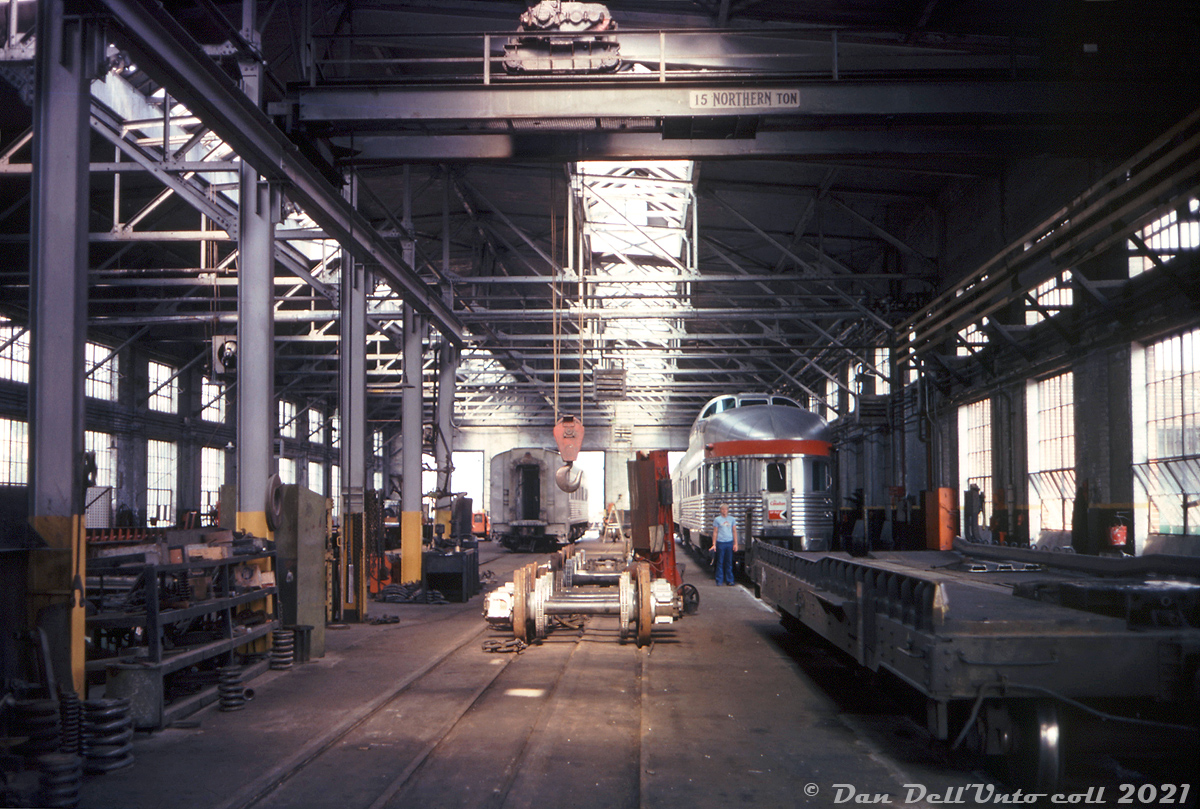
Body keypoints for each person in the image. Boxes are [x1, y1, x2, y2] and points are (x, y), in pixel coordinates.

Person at [711, 503, 738, 586]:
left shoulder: (732, 519)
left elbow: (734, 531)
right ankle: (719, 580)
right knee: (720, 562)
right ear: (720, 510)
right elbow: (715, 532)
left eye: (725, 509)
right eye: (722, 509)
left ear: (728, 510)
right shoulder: (717, 520)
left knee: (729, 562)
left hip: (729, 542)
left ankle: (730, 580)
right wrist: (714, 544)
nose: (724, 511)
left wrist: (735, 543)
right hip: (720, 543)